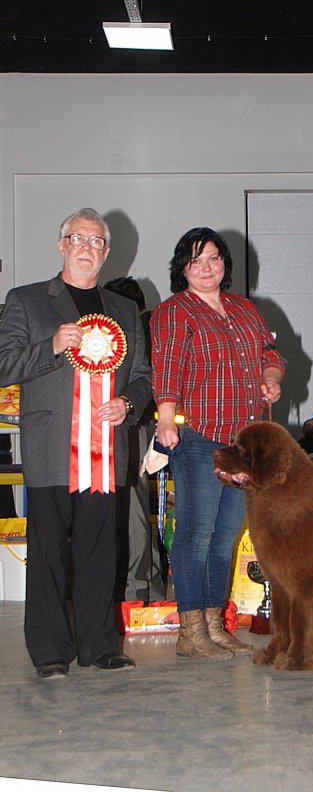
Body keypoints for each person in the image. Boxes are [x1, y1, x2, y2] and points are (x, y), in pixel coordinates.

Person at [0, 207, 152, 678]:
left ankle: (100, 644)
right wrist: (50, 346)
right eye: (79, 238)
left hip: (106, 451)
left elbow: (144, 377)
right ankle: (48, 651)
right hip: (51, 448)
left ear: (107, 251)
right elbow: (5, 366)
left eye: (97, 241)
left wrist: (128, 404)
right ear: (61, 244)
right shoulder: (25, 300)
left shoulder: (125, 309)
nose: (88, 247)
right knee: (47, 551)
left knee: (101, 550)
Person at [151, 226, 285, 660]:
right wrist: (167, 420)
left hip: (243, 442)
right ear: (182, 269)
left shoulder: (244, 309)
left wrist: (270, 378)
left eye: (213, 258)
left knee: (226, 535)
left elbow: (270, 353)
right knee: (195, 534)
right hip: (199, 439)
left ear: (224, 263)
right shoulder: (175, 312)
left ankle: (214, 624)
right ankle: (190, 632)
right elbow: (166, 368)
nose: (206, 268)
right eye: (196, 261)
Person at [103, 277, 165, 605]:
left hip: (135, 427)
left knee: (133, 514)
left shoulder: (140, 330)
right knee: (133, 513)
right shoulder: (148, 328)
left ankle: (138, 592)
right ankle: (144, 588)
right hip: (133, 426)